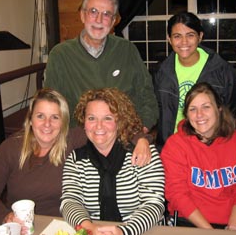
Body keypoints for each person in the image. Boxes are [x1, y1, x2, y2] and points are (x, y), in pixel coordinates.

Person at [0, 88, 152, 231]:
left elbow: (107, 128)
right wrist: (5, 216)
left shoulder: (72, 140)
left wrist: (141, 139)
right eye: (40, 116)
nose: (47, 124)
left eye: (55, 117)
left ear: (64, 122)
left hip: (66, 226)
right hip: (24, 228)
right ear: (30, 120)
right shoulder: (10, 148)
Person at [44, 0, 158, 133]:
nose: (99, 20)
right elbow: (50, 105)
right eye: (93, 12)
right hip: (79, 140)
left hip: (123, 137)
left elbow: (147, 96)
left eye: (106, 14)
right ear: (82, 15)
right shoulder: (60, 55)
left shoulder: (127, 50)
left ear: (113, 21)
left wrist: (140, 131)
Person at [60, 88, 165, 235]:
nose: (98, 126)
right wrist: (88, 227)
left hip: (141, 231)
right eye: (91, 118)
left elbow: (154, 205)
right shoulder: (77, 159)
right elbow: (70, 201)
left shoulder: (142, 153)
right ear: (84, 122)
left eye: (107, 118)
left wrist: (124, 231)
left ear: (120, 121)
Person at [160, 82, 236, 230]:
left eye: (206, 107)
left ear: (219, 109)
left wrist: (233, 228)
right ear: (187, 115)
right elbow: (177, 193)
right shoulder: (175, 145)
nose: (199, 115)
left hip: (234, 222)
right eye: (192, 109)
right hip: (189, 221)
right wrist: (209, 232)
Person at [154, 11, 236, 149]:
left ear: (200, 36)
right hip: (171, 146)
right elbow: (157, 110)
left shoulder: (223, 71)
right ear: (169, 39)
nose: (184, 42)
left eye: (190, 35)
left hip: (209, 146)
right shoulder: (161, 72)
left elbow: (229, 112)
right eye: (177, 36)